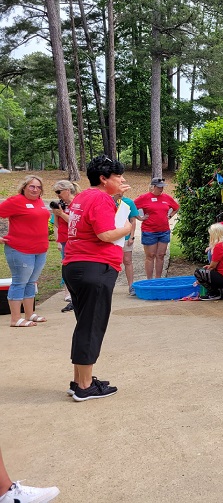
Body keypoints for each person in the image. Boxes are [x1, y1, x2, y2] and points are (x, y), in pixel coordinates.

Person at [63, 155, 133, 401]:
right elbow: (105, 234)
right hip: (95, 266)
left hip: (76, 265)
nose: (122, 180)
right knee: (91, 326)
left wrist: (118, 198)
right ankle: (84, 386)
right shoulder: (101, 198)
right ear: (104, 179)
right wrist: (128, 228)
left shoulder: (83, 196)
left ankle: (79, 379)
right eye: (118, 177)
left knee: (85, 324)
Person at [0, 175, 50, 327]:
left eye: (38, 187)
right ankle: (15, 319)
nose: (35, 189)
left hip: (40, 249)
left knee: (31, 282)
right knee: (19, 282)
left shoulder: (40, 202)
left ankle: (29, 314)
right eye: (32, 186)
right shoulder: (15, 201)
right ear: (24, 187)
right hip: (20, 250)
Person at [134, 178, 179, 280]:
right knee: (150, 255)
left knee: (161, 255)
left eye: (162, 187)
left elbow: (176, 207)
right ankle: (149, 279)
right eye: (159, 187)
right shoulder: (144, 198)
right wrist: (140, 218)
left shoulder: (166, 198)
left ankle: (158, 279)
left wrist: (170, 216)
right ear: (153, 187)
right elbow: (132, 207)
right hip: (149, 231)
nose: (161, 189)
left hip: (164, 231)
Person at [52, 179, 80, 309]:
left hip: (76, 239)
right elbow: (57, 225)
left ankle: (78, 291)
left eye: (59, 192)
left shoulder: (77, 203)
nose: (57, 195)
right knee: (66, 265)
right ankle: (67, 292)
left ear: (67, 191)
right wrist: (57, 214)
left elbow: (76, 222)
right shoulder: (60, 205)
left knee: (77, 265)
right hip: (64, 240)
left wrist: (62, 214)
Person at [194, 223, 223, 301]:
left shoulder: (219, 246)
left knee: (198, 272)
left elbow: (213, 266)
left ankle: (214, 293)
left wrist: (201, 278)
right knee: (206, 271)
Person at [114, 191, 140, 297]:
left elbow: (133, 220)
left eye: (122, 191)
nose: (120, 193)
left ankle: (131, 286)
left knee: (128, 261)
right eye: (118, 191)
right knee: (113, 262)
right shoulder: (107, 201)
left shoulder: (128, 202)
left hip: (125, 237)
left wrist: (131, 236)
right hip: (113, 237)